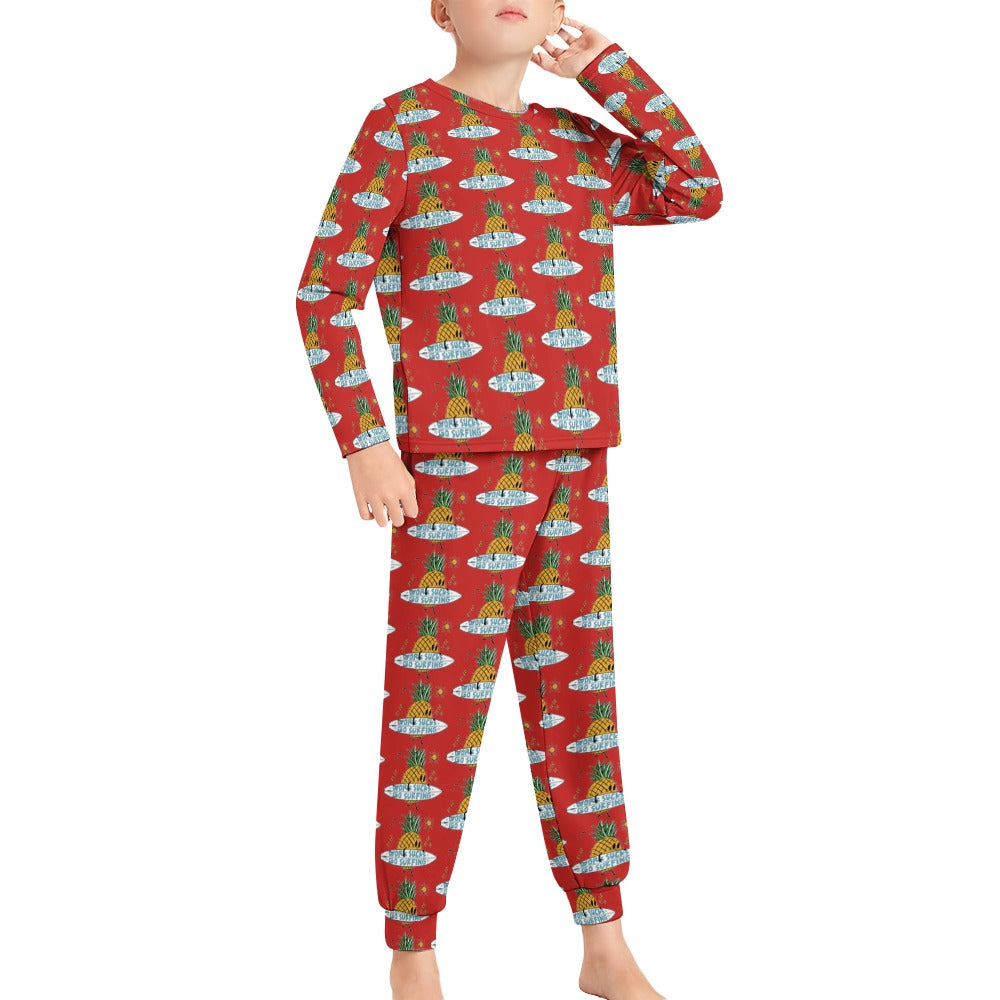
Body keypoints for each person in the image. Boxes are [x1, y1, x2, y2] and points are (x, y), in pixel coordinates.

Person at [293, 2, 723, 997]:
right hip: (451, 472)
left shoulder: (574, 141)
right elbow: (323, 294)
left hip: (576, 459)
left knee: (579, 699)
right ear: (439, 8)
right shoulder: (401, 127)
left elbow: (696, 190)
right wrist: (366, 443)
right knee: (434, 707)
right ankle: (412, 947)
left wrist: (611, 72)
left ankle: (603, 939)